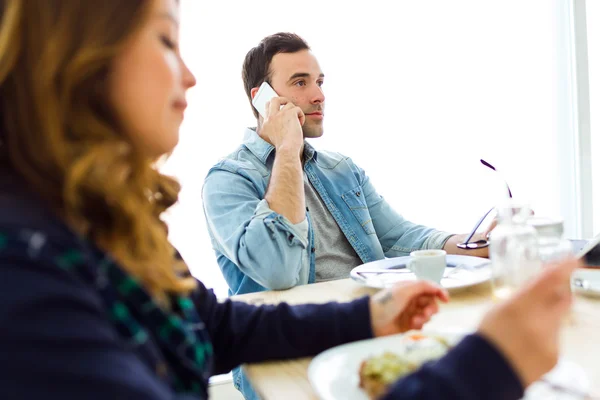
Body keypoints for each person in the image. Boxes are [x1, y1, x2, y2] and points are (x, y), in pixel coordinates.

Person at [0, 1, 579, 400]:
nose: (191, 77)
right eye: (165, 39)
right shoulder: (26, 267)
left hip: (349, 340)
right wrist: (488, 367)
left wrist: (384, 303)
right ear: (78, 58)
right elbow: (276, 274)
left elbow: (215, 327)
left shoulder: (102, 219)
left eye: (321, 80)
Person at [202, 32, 493, 299]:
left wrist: (478, 245)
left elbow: (401, 237)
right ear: (261, 99)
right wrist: (287, 147)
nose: (319, 96)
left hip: (368, 316)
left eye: (319, 82)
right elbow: (277, 271)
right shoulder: (227, 180)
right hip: (294, 335)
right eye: (300, 82)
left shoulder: (341, 169)